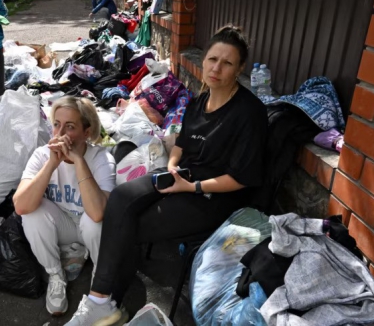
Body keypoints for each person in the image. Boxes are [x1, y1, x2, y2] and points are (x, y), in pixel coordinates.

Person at [64, 25, 268, 326]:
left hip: (215, 195)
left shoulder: (250, 112)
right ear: (204, 60)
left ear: (239, 68)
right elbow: (181, 145)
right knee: (121, 197)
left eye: (227, 63)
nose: (216, 68)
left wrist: (193, 186)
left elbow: (242, 178)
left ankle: (105, 302)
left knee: (132, 224)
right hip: (182, 177)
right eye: (212, 59)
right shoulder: (200, 101)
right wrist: (172, 165)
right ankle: (102, 302)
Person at [13, 97, 116, 316]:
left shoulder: (101, 159)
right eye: (57, 125)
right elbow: (20, 205)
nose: (59, 134)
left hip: (90, 227)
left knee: (95, 220)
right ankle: (56, 275)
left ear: (86, 132)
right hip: (64, 226)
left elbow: (98, 213)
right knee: (32, 214)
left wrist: (78, 161)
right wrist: (52, 164)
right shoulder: (42, 155)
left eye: (70, 127)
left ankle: (101, 280)